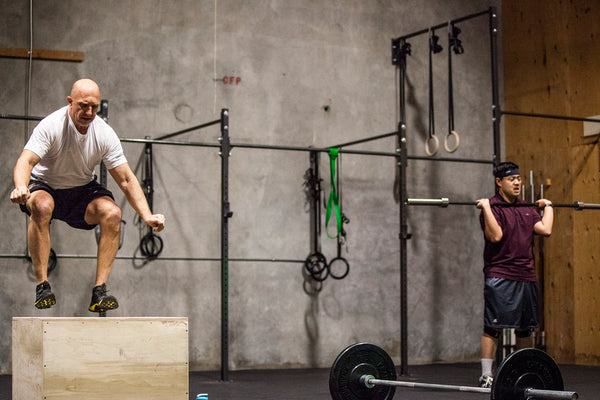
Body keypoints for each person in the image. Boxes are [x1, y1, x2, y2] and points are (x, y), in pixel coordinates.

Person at [10, 78, 165, 312]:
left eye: (94, 106)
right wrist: (21, 186)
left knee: (112, 213)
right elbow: (26, 160)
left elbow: (125, 178)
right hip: (44, 185)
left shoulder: (103, 133)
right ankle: (42, 286)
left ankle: (99, 292)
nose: (89, 112)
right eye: (83, 105)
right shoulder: (51, 126)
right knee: (41, 206)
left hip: (81, 190)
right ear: (70, 102)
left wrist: (147, 215)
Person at [475, 161, 553, 388]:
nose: (517, 182)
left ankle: (524, 370)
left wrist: (548, 206)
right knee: (493, 326)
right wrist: (487, 208)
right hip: (499, 274)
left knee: (525, 327)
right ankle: (487, 375)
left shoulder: (527, 208)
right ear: (499, 182)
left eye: (518, 178)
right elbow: (495, 236)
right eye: (512, 179)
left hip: (526, 275)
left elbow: (545, 230)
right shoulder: (494, 207)